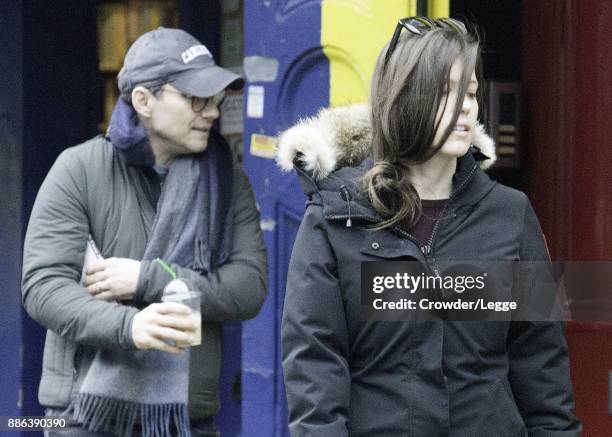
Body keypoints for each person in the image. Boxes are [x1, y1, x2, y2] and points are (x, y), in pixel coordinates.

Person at [277, 17, 581, 436]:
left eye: (470, 93)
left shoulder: (510, 214)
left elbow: (541, 367)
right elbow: (315, 367)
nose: (466, 108)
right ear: (403, 99)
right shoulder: (336, 218)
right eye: (446, 93)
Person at [22, 27, 268, 437]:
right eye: (195, 98)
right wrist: (129, 328)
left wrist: (150, 278)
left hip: (188, 420)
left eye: (216, 100)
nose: (211, 112)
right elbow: (43, 286)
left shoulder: (229, 184)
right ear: (143, 101)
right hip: (82, 418)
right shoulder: (79, 169)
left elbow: (249, 287)